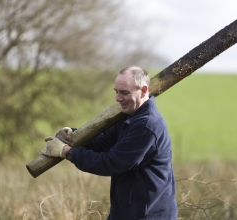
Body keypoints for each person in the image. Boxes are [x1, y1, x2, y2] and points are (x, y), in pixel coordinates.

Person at [41, 66, 178, 219]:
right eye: (116, 92)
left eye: (124, 92)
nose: (118, 98)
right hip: (125, 212)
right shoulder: (128, 117)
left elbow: (111, 163)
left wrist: (66, 151)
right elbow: (102, 144)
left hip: (148, 214)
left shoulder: (146, 126)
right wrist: (73, 135)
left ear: (144, 90)